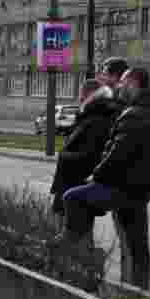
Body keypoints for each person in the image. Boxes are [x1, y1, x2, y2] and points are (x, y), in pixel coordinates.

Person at [57, 68, 150, 288]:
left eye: (123, 83)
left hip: (124, 184)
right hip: (141, 184)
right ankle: (137, 288)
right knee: (136, 241)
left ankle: (72, 244)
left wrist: (96, 177)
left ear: (134, 83)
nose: (119, 88)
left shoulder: (135, 114)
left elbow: (117, 153)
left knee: (73, 197)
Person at [49, 77, 125, 217]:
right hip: (74, 183)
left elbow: (91, 154)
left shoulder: (96, 120)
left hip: (76, 183)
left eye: (82, 95)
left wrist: (64, 155)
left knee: (75, 229)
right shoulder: (90, 117)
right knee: (74, 228)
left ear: (90, 96)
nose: (80, 98)